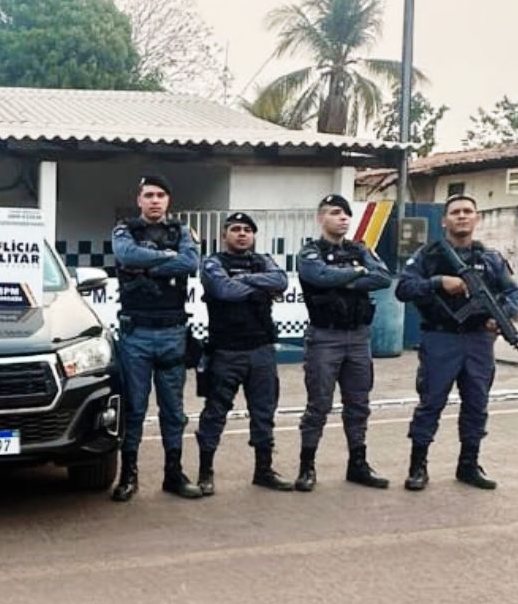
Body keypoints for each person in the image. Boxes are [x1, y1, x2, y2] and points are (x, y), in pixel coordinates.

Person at [396, 194, 518, 491]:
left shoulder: (490, 258)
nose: (462, 216)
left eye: (468, 211)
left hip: (479, 340)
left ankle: (468, 464)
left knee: (477, 404)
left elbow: (514, 295)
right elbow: (403, 288)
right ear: (445, 220)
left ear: (477, 218)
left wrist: (500, 315)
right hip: (441, 338)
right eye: (456, 212)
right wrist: (438, 282)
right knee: (431, 403)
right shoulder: (429, 255)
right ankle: (418, 466)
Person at [110, 175, 203, 502]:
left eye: (161, 195)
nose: (154, 200)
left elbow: (190, 262)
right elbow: (127, 256)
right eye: (148, 195)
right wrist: (167, 258)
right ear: (139, 199)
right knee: (134, 409)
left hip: (172, 333)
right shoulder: (124, 230)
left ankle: (173, 475)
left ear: (168, 200)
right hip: (136, 334)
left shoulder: (182, 232)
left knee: (173, 410)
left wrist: (150, 262)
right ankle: (128, 476)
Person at [295, 194, 393, 492]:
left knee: (359, 404)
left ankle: (358, 464)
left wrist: (345, 279)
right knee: (319, 405)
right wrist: (356, 273)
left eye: (347, 214)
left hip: (359, 337)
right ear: (321, 218)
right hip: (325, 337)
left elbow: (383, 278)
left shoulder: (360, 249)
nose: (343, 218)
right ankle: (307, 466)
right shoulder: (310, 252)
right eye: (336, 213)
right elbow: (319, 276)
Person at [195, 212, 293, 495]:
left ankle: (263, 471)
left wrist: (247, 281)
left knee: (264, 412)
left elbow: (281, 281)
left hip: (261, 350)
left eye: (247, 230)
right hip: (226, 351)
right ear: (225, 235)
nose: (242, 234)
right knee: (215, 413)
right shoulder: (213, 262)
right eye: (236, 229)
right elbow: (223, 290)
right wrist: (259, 288)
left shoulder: (262, 261)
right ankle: (205, 472)